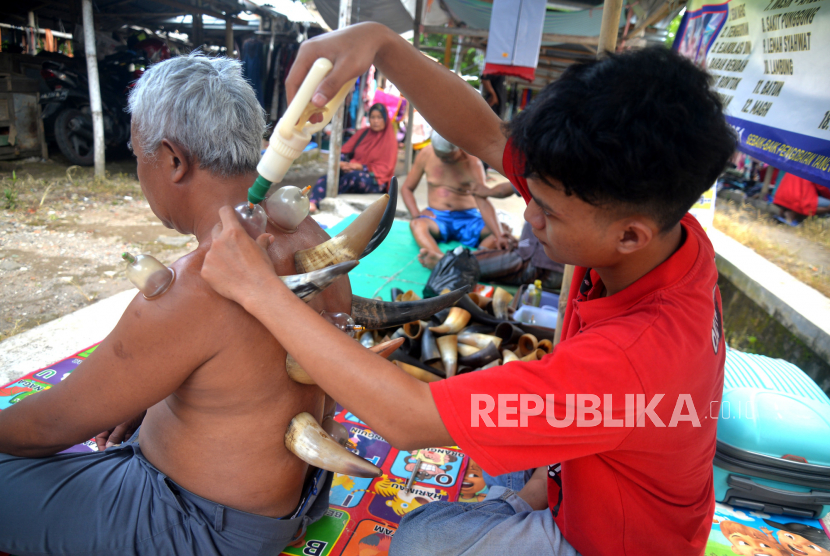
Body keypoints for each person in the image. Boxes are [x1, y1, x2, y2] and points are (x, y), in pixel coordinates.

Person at [200, 25, 735, 556]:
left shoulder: (636, 356)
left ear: (629, 235)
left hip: (617, 543)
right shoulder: (661, 228)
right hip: (595, 467)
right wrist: (381, 44)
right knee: (495, 469)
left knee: (422, 539)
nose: (528, 213)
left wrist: (260, 292)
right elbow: (486, 137)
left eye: (546, 211)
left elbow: (410, 419)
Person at [0, 53, 345, 555]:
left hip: (202, 526)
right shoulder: (313, 236)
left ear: (173, 159)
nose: (141, 171)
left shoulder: (194, 286)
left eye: (139, 156)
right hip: (297, 502)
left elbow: (47, 427)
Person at [404, 131, 513, 269]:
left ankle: (474, 260)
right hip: (437, 217)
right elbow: (406, 188)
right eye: (441, 156)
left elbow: (483, 201)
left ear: (459, 149)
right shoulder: (426, 154)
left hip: (469, 218)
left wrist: (499, 234)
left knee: (502, 231)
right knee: (417, 224)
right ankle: (441, 261)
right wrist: (416, 214)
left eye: (449, 157)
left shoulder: (473, 163)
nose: (445, 160)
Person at [309, 102, 398, 212]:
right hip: (352, 169)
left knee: (352, 177)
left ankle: (319, 201)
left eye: (379, 117)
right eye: (373, 117)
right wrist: (342, 163)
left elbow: (386, 169)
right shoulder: (363, 133)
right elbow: (343, 151)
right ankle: (312, 202)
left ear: (385, 119)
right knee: (326, 177)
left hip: (376, 181)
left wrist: (361, 167)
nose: (375, 121)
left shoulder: (390, 141)